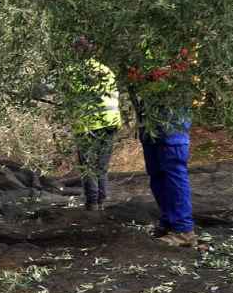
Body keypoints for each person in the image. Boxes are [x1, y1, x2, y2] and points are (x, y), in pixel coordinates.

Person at [131, 49, 196, 248]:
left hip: (171, 114)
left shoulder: (174, 39)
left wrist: (145, 75)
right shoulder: (143, 43)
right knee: (157, 173)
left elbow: (175, 72)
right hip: (150, 116)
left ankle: (184, 230)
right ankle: (169, 221)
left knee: (173, 170)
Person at [64, 37, 122, 211]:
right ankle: (101, 200)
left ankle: (92, 202)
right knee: (101, 165)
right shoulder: (106, 70)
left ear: (76, 51)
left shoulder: (72, 71)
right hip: (110, 122)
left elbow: (72, 94)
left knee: (88, 166)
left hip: (88, 124)